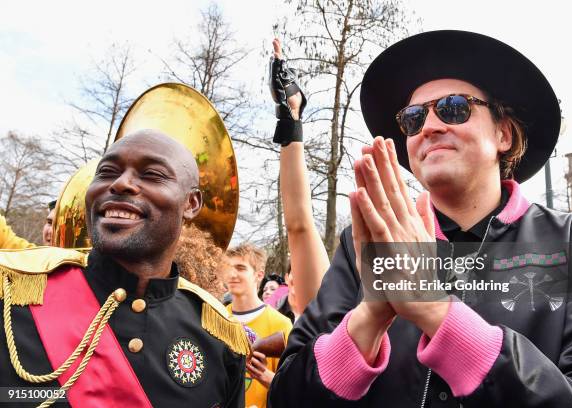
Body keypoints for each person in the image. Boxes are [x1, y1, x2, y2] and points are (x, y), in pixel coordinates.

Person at [269, 30, 572, 407]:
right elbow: (287, 397)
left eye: (453, 107)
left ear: (504, 134)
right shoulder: (363, 245)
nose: (429, 127)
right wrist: (368, 317)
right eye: (413, 119)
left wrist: (436, 311)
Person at [0, 130, 249, 407]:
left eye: (152, 175)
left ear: (191, 204)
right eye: (106, 172)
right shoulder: (11, 292)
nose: (120, 183)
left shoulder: (219, 337)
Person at [269, 38, 330, 315]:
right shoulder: (297, 332)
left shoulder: (325, 326)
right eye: (291, 275)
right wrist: (290, 115)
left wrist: (293, 116)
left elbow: (300, 225)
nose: (293, 279)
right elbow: (297, 224)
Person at [222, 243, 292, 408]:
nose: (232, 274)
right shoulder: (215, 317)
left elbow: (292, 389)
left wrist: (264, 375)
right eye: (228, 267)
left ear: (259, 275)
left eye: (240, 268)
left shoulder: (281, 324)